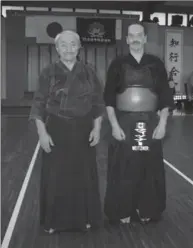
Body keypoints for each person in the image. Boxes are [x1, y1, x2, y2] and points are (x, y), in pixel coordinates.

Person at [29, 30, 105, 234]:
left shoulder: (89, 72)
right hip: (56, 129)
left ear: (80, 47)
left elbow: (98, 103)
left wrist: (97, 128)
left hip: (83, 130)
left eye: (73, 44)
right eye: (64, 45)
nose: (69, 49)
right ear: (57, 48)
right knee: (55, 176)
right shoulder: (48, 72)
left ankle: (85, 219)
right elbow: (38, 104)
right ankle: (54, 221)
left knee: (83, 176)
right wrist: (42, 133)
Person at [103, 23, 174, 224]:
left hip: (150, 121)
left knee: (148, 166)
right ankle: (122, 209)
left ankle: (147, 209)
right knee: (123, 166)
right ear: (127, 39)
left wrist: (162, 124)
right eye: (131, 36)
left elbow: (165, 96)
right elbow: (108, 98)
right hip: (124, 121)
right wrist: (115, 126)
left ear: (144, 39)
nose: (135, 39)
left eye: (139, 35)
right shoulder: (117, 64)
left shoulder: (156, 63)